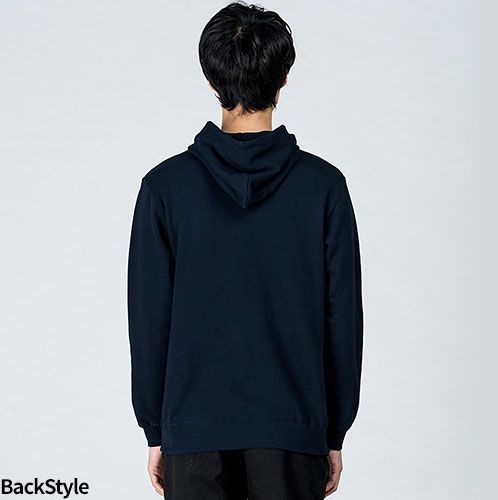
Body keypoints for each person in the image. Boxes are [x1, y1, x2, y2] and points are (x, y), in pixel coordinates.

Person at [127, 2, 363, 498]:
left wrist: (156, 430)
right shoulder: (323, 186)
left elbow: (149, 319)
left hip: (193, 432)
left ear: (211, 81)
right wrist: (332, 432)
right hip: (293, 431)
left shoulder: (164, 187)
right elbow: (342, 319)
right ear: (283, 80)